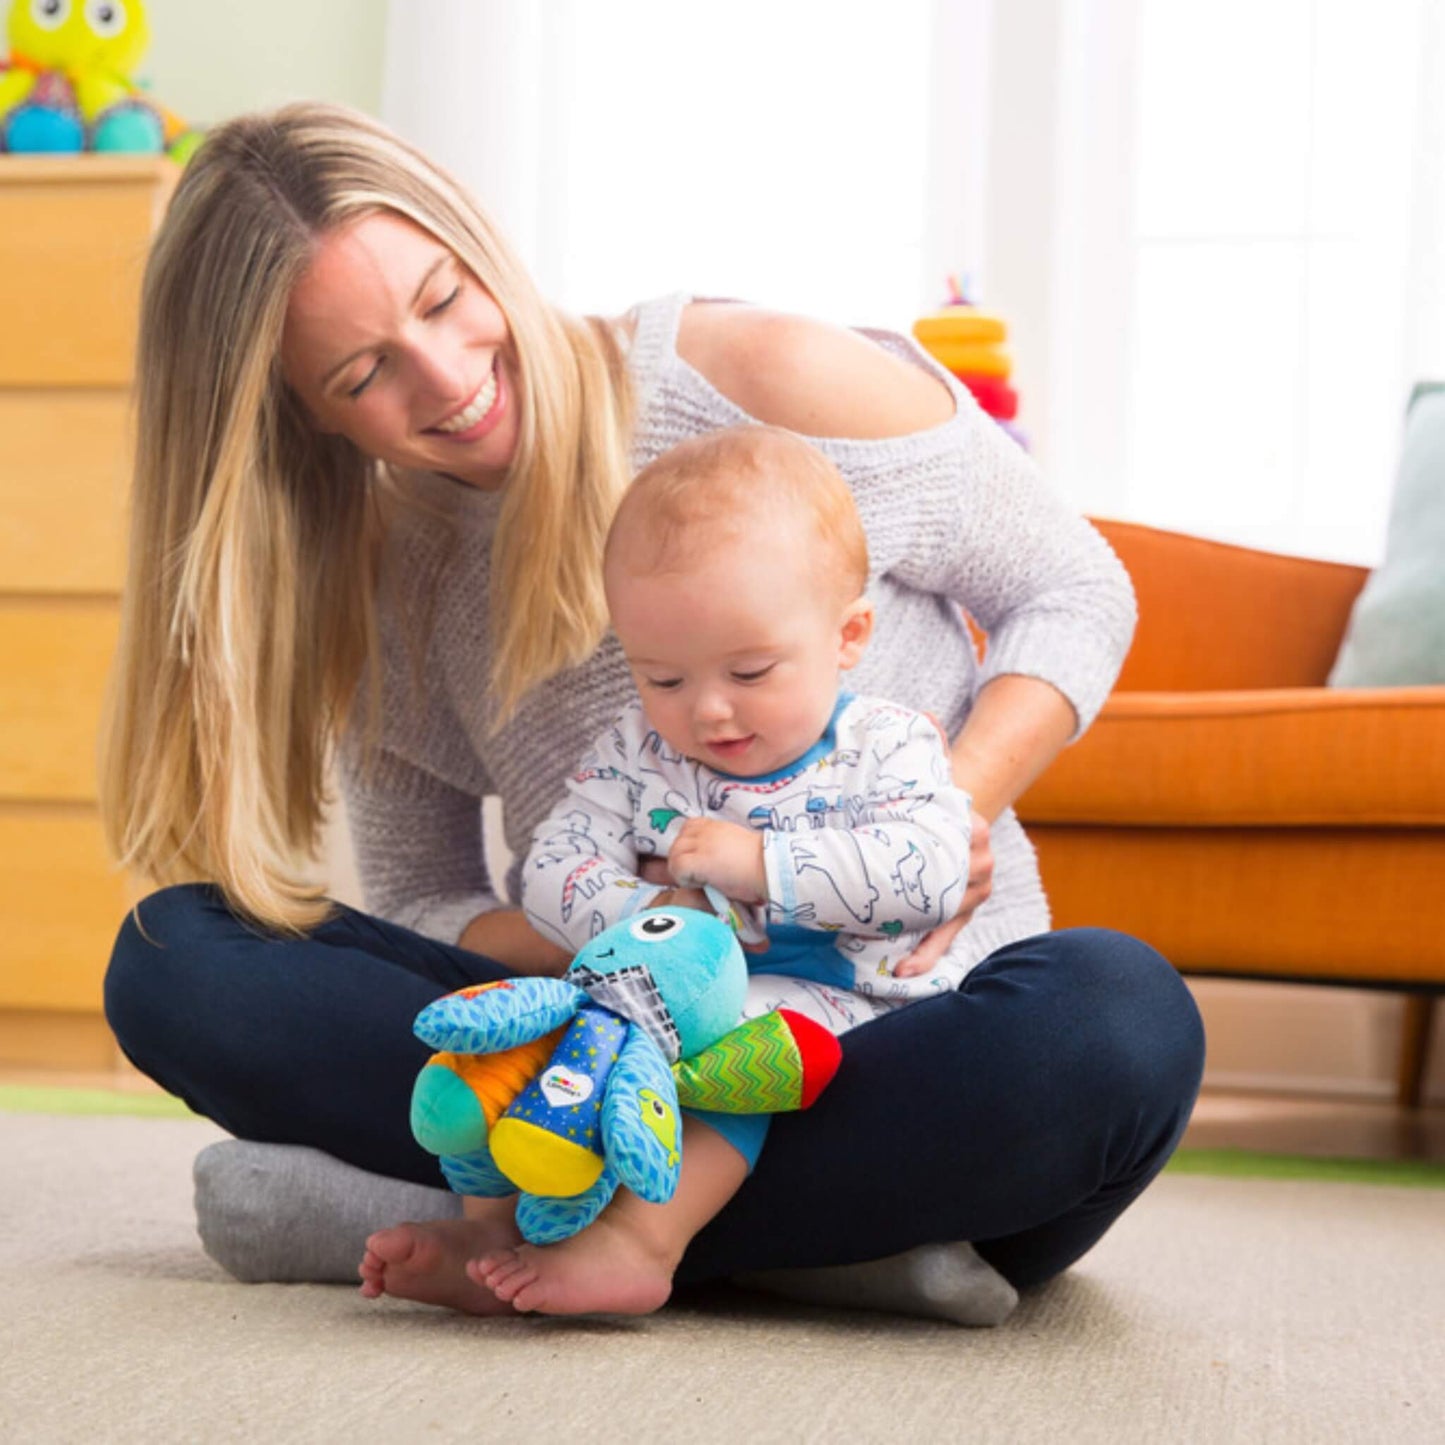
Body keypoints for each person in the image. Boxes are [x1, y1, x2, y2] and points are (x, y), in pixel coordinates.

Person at [99, 101, 1205, 1325]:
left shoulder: (749, 376)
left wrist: (959, 802)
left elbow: (1070, 583)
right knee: (175, 958)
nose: (451, 378)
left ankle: (505, 1213)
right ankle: (832, 1249)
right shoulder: (377, 583)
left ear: (478, 243)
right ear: (299, 411)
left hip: (893, 1027)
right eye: (362, 374)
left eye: (443, 299)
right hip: (600, 1038)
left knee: (1115, 1026)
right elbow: (422, 895)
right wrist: (647, 951)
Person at [467, 425, 974, 1313]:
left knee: (725, 1047)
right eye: (660, 677)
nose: (706, 710)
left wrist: (761, 863)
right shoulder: (633, 752)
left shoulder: (884, 743)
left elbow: (929, 872)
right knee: (535, 1045)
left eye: (749, 670)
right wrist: (652, 907)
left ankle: (638, 1241)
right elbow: (547, 868)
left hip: (849, 1012)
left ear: (848, 633)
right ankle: (491, 1223)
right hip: (649, 993)